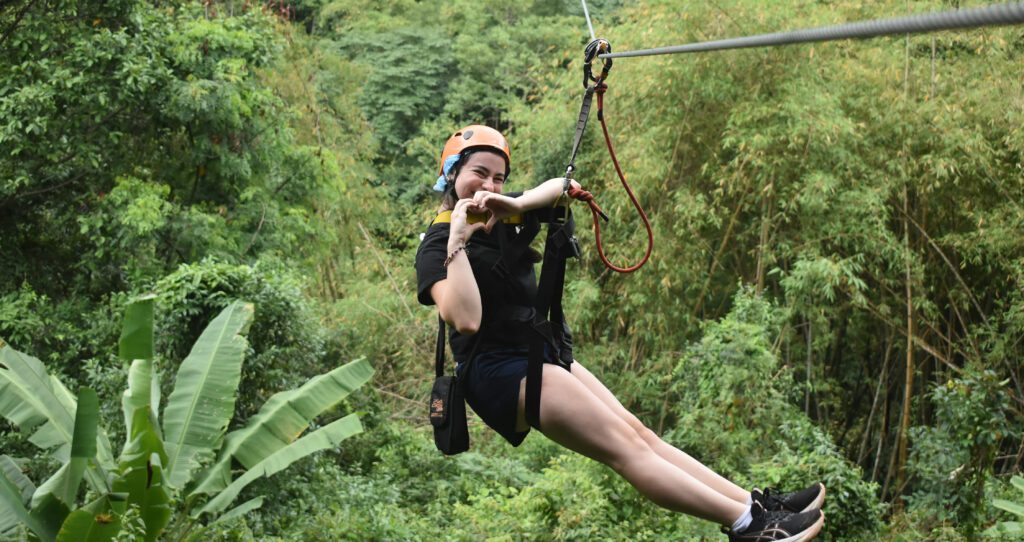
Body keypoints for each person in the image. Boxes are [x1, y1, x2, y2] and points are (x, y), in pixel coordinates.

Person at [415, 125, 826, 541]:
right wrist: (457, 239)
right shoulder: (436, 244)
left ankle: (755, 506)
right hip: (498, 369)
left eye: (498, 176)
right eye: (479, 173)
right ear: (451, 174)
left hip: (540, 352)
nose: (488, 184)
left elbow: (564, 186)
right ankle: (752, 527)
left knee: (641, 434)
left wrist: (512, 201)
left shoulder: (502, 212)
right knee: (624, 448)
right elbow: (465, 318)